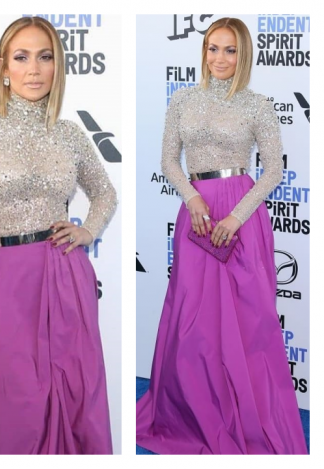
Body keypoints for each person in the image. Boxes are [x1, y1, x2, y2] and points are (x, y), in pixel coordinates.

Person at [0, 16, 116, 454]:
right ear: (3, 66)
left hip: (66, 275)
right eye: (21, 57)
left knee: (74, 388)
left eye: (45, 57)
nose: (34, 69)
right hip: (7, 281)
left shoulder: (70, 134)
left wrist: (87, 230)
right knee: (16, 398)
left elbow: (105, 193)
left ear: (57, 67)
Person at [136, 17, 307, 454]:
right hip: (197, 216)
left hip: (241, 215)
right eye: (213, 48)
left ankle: (248, 417)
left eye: (230, 50)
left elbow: (273, 171)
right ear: (204, 51)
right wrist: (193, 197)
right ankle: (192, 411)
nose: (220, 58)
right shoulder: (182, 99)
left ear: (243, 54)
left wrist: (236, 217)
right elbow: (168, 160)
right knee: (192, 320)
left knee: (248, 321)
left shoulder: (257, 105)